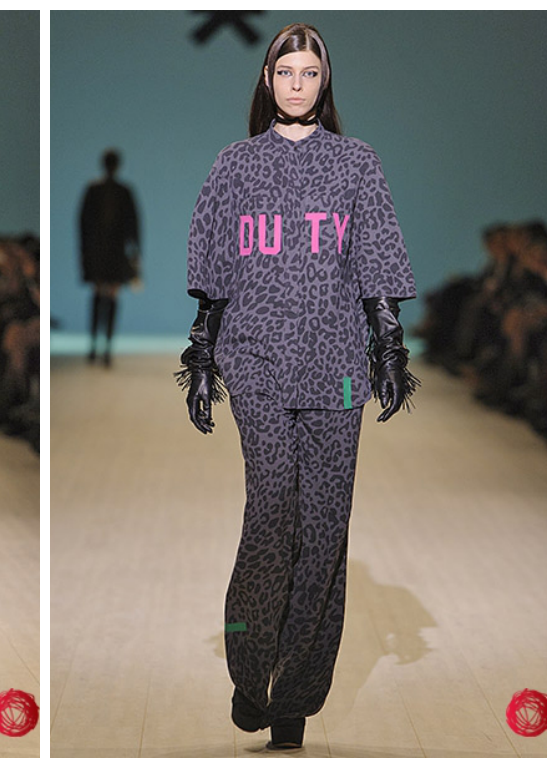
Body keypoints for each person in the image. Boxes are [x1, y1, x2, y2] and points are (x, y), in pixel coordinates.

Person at [178, 23, 417, 750]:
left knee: (324, 528)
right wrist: (201, 355)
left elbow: (376, 255)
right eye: (286, 71)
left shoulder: (357, 163)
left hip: (337, 364)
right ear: (267, 79)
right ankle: (251, 670)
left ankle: (295, 696)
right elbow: (214, 267)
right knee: (272, 511)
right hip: (255, 357)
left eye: (310, 73)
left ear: (324, 81)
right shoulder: (235, 164)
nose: (297, 84)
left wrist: (389, 347)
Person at [78, 149, 140, 366]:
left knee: (99, 297)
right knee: (111, 298)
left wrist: (84, 254)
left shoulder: (94, 190)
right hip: (114, 253)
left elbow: (83, 226)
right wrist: (136, 256)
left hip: (98, 254)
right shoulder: (123, 192)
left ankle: (96, 346)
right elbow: (134, 227)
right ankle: (105, 348)